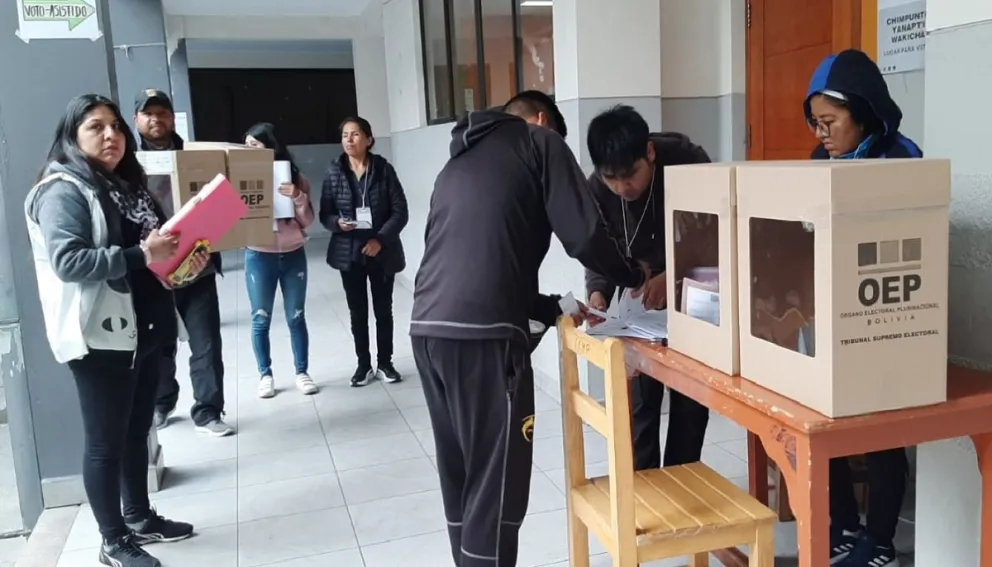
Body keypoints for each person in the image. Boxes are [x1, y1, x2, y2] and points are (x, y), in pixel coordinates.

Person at [410, 91, 644, 567]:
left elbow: (486, 266)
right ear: (541, 121)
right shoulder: (540, 141)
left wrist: (560, 306)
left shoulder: (459, 162)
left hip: (428, 329)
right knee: (497, 489)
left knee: (464, 478)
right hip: (485, 341)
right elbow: (583, 235)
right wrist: (633, 276)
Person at [25, 93, 199, 567]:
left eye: (117, 127)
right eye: (95, 128)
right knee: (105, 441)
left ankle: (139, 517)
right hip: (99, 336)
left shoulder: (127, 185)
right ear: (72, 137)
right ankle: (112, 540)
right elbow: (70, 262)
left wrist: (185, 259)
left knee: (136, 430)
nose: (111, 136)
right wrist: (146, 255)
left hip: (143, 325)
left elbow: (158, 250)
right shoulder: (64, 190)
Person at [806, 49, 920, 567]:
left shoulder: (901, 159)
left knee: (881, 430)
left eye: (830, 122)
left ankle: (879, 540)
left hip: (885, 319)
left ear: (864, 112)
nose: (821, 135)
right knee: (824, 424)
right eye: (815, 123)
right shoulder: (819, 163)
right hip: (828, 318)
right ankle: (844, 526)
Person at [584, 104, 713, 471]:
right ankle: (644, 495)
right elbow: (599, 249)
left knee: (690, 398)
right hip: (639, 305)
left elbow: (715, 237)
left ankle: (680, 485)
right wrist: (599, 294)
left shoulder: (689, 163)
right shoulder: (598, 188)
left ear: (650, 154)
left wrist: (670, 276)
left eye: (631, 175)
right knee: (640, 401)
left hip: (694, 292)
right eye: (611, 178)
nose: (623, 188)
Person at [133, 89, 232, 437]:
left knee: (206, 342)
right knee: (159, 345)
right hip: (152, 272)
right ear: (137, 120)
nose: (156, 119)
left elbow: (223, 200)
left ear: (173, 118)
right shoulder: (126, 163)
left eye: (162, 112)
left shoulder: (197, 158)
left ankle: (208, 411)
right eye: (148, 114)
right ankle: (162, 402)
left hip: (198, 265)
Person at [319, 117, 409, 387]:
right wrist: (337, 223)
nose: (349, 139)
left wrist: (380, 240)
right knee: (357, 311)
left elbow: (400, 211)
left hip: (381, 251)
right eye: (345, 134)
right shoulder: (333, 171)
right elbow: (325, 213)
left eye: (355, 134)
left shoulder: (383, 170)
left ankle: (385, 363)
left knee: (384, 309)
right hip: (349, 252)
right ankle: (363, 365)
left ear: (369, 139)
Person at [244, 122, 317, 398]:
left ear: (271, 147)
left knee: (296, 317)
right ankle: (265, 374)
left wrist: (297, 197)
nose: (249, 150)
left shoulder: (296, 178)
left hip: (292, 255)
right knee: (260, 319)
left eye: (255, 145)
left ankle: (302, 371)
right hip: (259, 256)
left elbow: (307, 220)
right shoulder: (240, 178)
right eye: (246, 146)